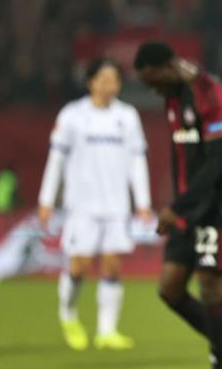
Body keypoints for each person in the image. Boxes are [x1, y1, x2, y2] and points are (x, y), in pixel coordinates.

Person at [134, 41, 222, 369]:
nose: (152, 89)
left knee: (210, 288)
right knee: (170, 289)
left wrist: (178, 206)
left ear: (169, 67)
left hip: (220, 208)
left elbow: (219, 158)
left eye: (153, 80)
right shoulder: (173, 96)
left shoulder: (209, 93)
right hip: (190, 208)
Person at [38, 58, 151, 352]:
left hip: (116, 205)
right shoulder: (73, 115)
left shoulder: (127, 117)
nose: (109, 84)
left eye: (114, 78)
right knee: (79, 266)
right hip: (82, 206)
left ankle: (107, 330)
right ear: (90, 82)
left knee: (113, 266)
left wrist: (143, 201)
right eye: (103, 78)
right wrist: (46, 200)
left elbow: (137, 160)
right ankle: (69, 313)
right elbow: (56, 159)